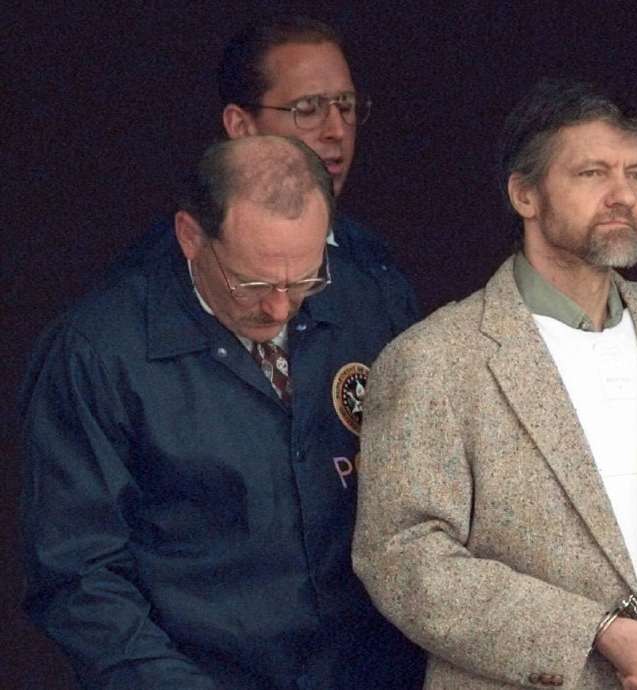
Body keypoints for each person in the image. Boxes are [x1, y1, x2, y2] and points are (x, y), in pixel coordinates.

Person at [352, 78, 637, 690]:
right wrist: (591, 631)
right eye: (592, 173)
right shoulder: (434, 358)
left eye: (636, 175)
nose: (622, 195)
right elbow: (402, 555)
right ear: (524, 194)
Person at [21, 135, 424, 689]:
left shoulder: (373, 304)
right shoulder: (99, 353)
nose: (279, 307)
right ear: (191, 236)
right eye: (252, 283)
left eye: (305, 280)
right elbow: (78, 573)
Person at [110, 14, 419, 329]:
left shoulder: (371, 259)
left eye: (346, 105)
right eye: (308, 109)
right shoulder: (153, 278)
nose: (337, 130)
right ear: (241, 125)